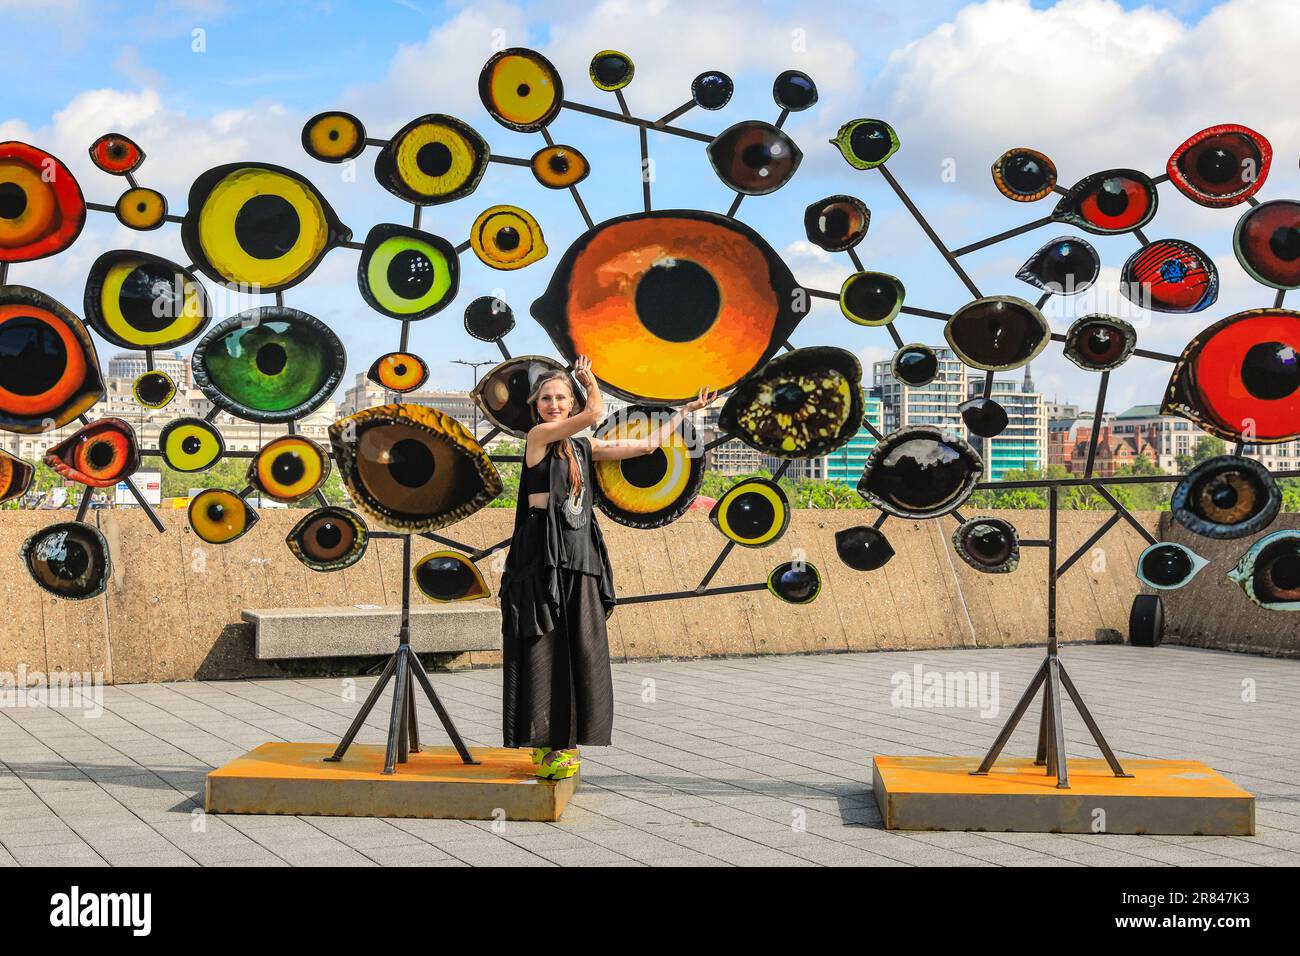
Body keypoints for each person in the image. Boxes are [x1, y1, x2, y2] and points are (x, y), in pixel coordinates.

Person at [499, 355, 717, 779]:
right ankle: (544, 742)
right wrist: (589, 383)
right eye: (547, 397)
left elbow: (647, 446)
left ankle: (568, 739)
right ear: (536, 405)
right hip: (542, 555)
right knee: (543, 646)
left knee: (579, 648)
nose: (555, 403)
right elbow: (596, 412)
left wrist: (684, 413)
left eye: (562, 397)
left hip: (579, 554)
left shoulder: (583, 446)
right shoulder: (538, 437)